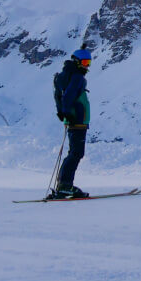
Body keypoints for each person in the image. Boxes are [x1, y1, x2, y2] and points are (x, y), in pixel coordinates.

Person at [52, 47, 92, 198]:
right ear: (76, 61)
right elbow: (68, 96)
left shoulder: (64, 76)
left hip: (72, 119)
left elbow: (60, 95)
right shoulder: (77, 77)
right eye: (85, 62)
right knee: (77, 153)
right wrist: (69, 113)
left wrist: (63, 113)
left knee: (73, 152)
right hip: (78, 120)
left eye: (88, 63)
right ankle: (65, 185)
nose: (86, 66)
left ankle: (63, 183)